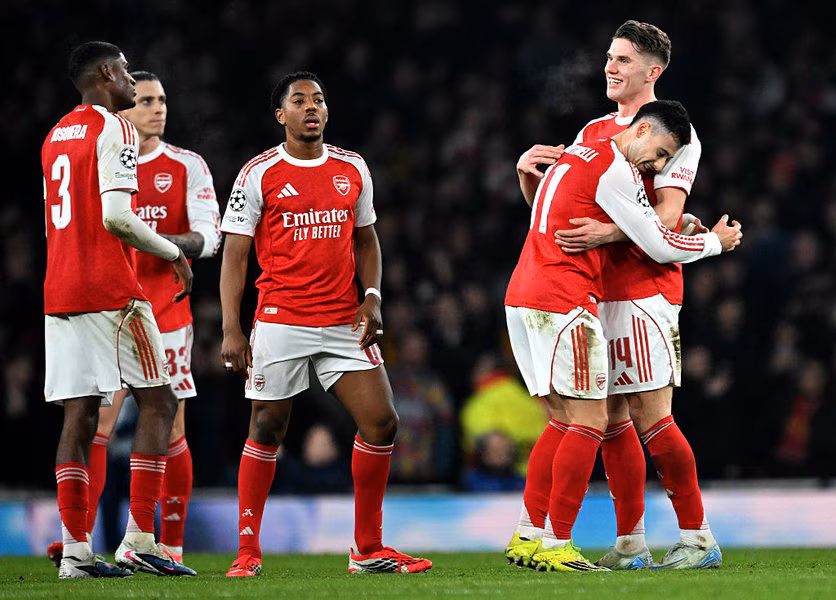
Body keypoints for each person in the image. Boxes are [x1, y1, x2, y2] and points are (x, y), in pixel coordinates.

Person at [508, 20, 727, 570]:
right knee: (608, 419)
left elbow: (668, 219)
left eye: (624, 60)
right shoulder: (593, 131)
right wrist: (528, 180)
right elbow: (558, 210)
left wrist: (609, 232)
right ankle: (630, 542)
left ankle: (698, 537)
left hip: (644, 289)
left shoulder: (678, 134)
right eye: (610, 56)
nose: (610, 67)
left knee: (653, 418)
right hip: (589, 288)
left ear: (652, 72)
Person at [219, 71, 432, 576]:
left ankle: (367, 549)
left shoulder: (352, 168)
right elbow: (234, 254)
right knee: (268, 426)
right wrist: (232, 327)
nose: (311, 107)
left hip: (342, 319)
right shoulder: (258, 173)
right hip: (281, 319)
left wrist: (373, 296)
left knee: (382, 422)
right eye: (299, 101)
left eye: (318, 100)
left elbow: (366, 239)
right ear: (281, 115)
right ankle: (248, 551)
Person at [46, 71, 220, 567]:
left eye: (162, 99)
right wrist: (160, 244)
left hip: (161, 309)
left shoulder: (185, 165)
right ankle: (102, 539)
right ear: (124, 104)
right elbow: (115, 220)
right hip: (118, 299)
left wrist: (169, 248)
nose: (157, 109)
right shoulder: (106, 145)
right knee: (103, 419)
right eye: (145, 99)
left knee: (164, 423)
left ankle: (162, 542)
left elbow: (210, 237)